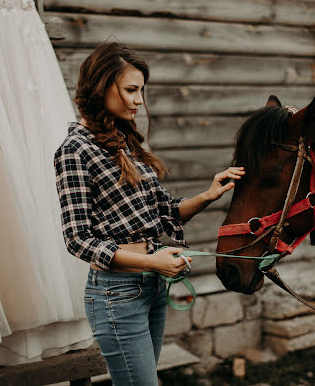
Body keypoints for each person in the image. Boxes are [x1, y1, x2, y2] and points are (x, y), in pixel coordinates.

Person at [53, 42, 244, 385]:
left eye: (142, 90)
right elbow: (78, 239)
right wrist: (154, 262)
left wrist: (210, 194)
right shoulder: (74, 150)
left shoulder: (127, 143)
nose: (139, 99)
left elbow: (166, 210)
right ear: (101, 87)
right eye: (131, 89)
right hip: (116, 294)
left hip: (152, 289)